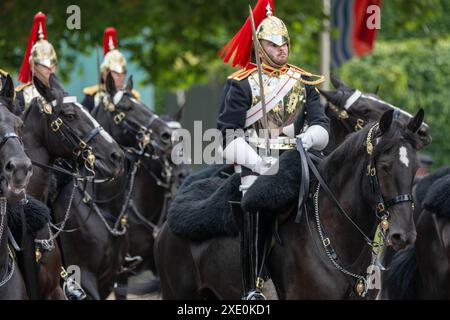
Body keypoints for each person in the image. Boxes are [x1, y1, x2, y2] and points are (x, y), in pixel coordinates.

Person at [217, 0, 330, 299]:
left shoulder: (303, 82)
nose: (282, 49)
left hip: (299, 157)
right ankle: (253, 283)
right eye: (273, 44)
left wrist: (308, 139)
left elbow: (321, 124)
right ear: (258, 46)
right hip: (254, 159)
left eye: (284, 43)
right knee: (256, 198)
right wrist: (258, 162)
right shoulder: (241, 84)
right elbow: (229, 135)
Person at [15, 12, 86, 300]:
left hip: (55, 167)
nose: (50, 69)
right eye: (45, 64)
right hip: (24, 169)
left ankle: (68, 273)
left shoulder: (59, 93)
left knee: (70, 202)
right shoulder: (21, 95)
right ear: (33, 65)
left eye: (53, 63)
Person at [82, 27, 140, 112]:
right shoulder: (92, 98)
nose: (120, 77)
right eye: (116, 73)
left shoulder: (132, 96)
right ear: (105, 74)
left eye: (123, 73)